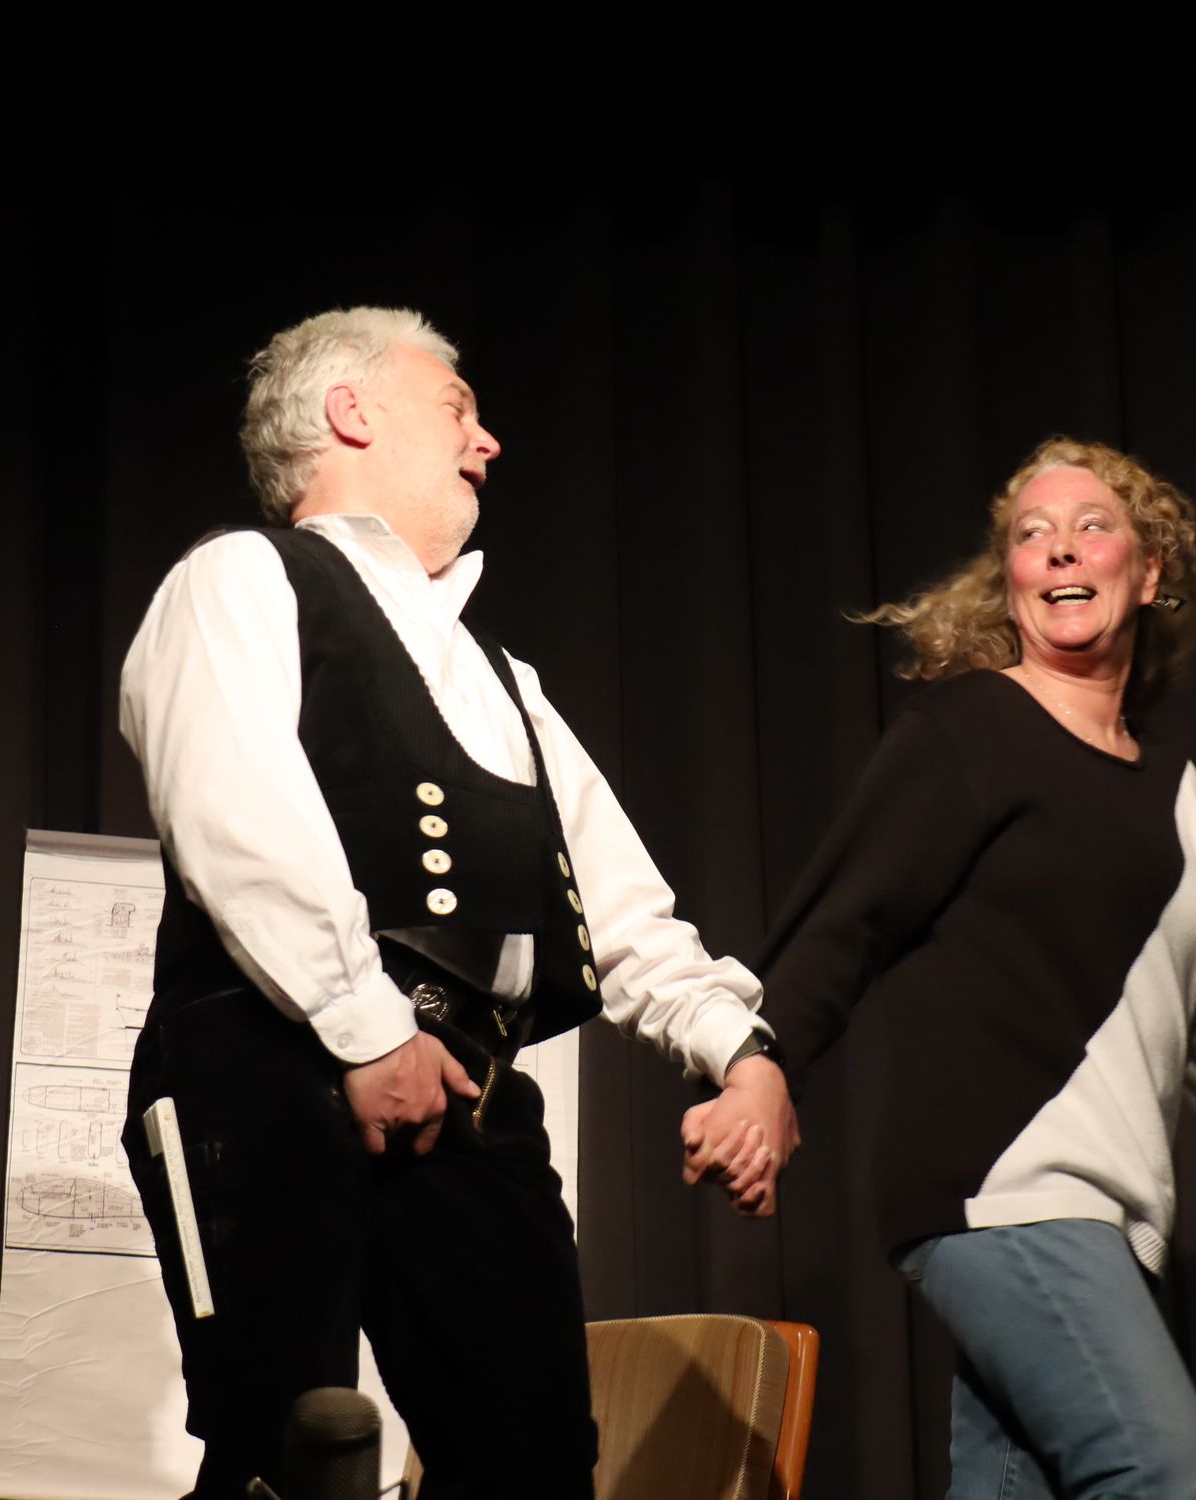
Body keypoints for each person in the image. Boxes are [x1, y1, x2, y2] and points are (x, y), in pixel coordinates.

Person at [117, 307, 798, 1500]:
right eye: (457, 409)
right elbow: (238, 817)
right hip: (271, 1075)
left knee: (529, 1464)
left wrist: (740, 1054)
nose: (487, 442)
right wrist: (366, 1028)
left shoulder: (503, 680)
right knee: (289, 1455)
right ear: (350, 412)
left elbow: (621, 912)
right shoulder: (242, 580)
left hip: (466, 1101)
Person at [695, 438, 1196, 1498]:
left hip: (1101, 1215)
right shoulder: (966, 730)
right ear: (1008, 578)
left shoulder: (1177, 797)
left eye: (1092, 526)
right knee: (1165, 1476)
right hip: (1003, 1191)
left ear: (1147, 572)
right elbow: (839, 921)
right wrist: (758, 1065)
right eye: (1030, 533)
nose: (1059, 548)